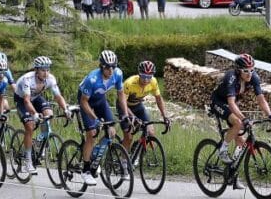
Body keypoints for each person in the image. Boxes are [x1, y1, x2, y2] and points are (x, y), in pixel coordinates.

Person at [209, 54, 271, 169]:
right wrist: (244, 118)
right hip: (218, 102)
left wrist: (270, 115)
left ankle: (232, 171)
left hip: (231, 103)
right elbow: (231, 103)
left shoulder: (254, 77)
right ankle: (223, 150)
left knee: (241, 142)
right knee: (238, 123)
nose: (249, 73)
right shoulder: (231, 77)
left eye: (252, 70)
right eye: (246, 70)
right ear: (238, 70)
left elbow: (261, 99)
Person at [77, 50, 130, 185]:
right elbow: (83, 102)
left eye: (113, 66)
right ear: (101, 66)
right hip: (86, 101)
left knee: (111, 131)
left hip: (100, 100)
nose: (111, 70)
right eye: (107, 67)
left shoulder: (117, 74)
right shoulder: (92, 79)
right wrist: (95, 119)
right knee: (92, 133)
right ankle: (86, 169)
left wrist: (125, 113)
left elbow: (121, 94)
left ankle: (95, 154)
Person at [12, 56, 69, 174]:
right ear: (36, 70)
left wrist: (65, 109)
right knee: (30, 125)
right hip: (22, 100)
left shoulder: (51, 79)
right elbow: (27, 101)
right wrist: (35, 114)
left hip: (36, 97)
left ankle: (39, 140)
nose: (46, 73)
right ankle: (28, 161)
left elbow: (58, 97)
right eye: (43, 70)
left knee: (49, 114)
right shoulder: (27, 79)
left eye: (48, 70)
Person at [120, 60, 170, 151]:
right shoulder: (129, 83)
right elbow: (123, 102)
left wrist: (165, 116)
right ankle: (123, 162)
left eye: (149, 77)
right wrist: (132, 116)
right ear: (139, 74)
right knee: (129, 138)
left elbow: (159, 99)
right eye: (143, 76)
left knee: (150, 133)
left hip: (138, 106)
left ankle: (137, 148)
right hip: (124, 107)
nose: (146, 80)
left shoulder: (153, 82)